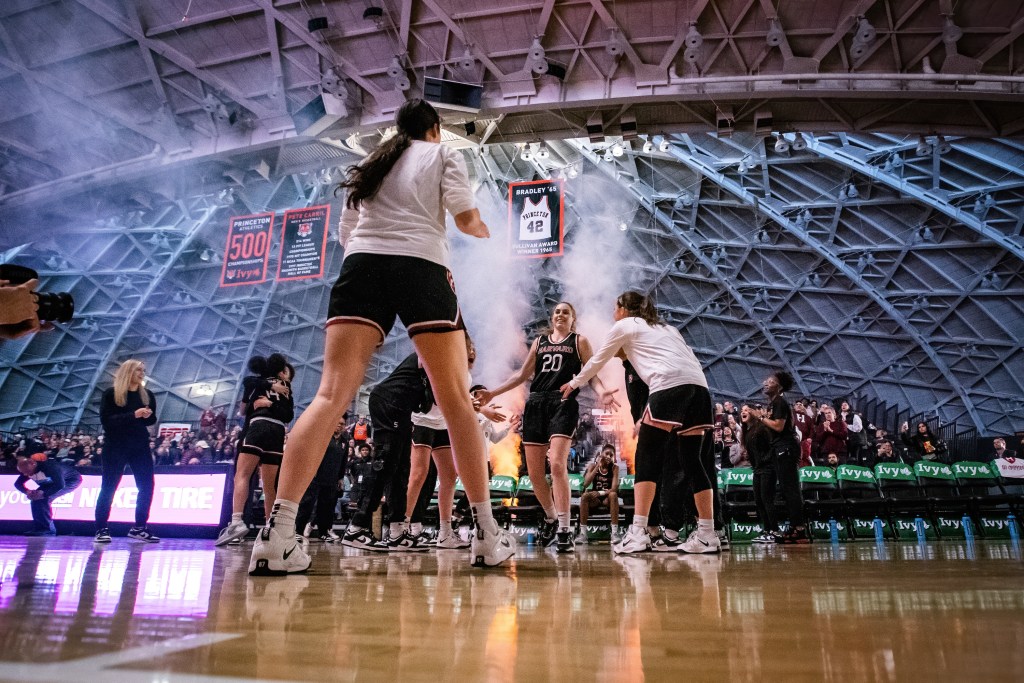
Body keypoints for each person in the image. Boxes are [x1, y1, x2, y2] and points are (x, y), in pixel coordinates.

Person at [249, 99, 512, 575]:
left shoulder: (369, 165)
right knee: (454, 401)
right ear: (435, 129)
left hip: (362, 268)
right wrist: (489, 232)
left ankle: (277, 534)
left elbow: (347, 236)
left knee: (329, 396)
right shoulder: (444, 154)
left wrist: (377, 262)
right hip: (422, 267)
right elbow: (465, 218)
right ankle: (487, 537)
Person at [559, 290, 719, 555]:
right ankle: (707, 534)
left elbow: (597, 360)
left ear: (623, 308)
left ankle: (638, 533)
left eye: (615, 307)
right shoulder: (667, 328)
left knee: (646, 458)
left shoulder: (624, 325)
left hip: (668, 385)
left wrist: (574, 382)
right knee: (693, 461)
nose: (613, 313)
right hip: (699, 388)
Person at [478, 301, 610, 554]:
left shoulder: (579, 341)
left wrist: (602, 392)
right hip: (536, 402)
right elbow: (520, 376)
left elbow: (591, 373)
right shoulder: (539, 343)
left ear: (573, 319)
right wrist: (492, 392)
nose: (560, 314)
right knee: (535, 474)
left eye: (566, 312)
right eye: (557, 311)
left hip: (563, 403)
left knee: (558, 464)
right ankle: (551, 517)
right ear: (552, 318)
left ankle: (563, 528)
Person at [216, 354, 294, 546]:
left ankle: (236, 522)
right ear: (282, 371)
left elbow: (244, 400)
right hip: (277, 431)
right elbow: (289, 415)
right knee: (269, 486)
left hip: (258, 426)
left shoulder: (257, 382)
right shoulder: (286, 387)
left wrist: (261, 402)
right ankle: (271, 529)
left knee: (242, 475)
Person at [96, 359, 159, 543]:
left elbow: (150, 421)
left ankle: (140, 527)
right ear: (128, 371)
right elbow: (107, 421)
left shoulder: (147, 394)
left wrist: (147, 416)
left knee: (147, 486)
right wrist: (134, 415)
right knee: (109, 486)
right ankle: (101, 528)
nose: (142, 373)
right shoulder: (111, 394)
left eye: (143, 370)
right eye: (139, 370)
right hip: (115, 445)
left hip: (140, 445)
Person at [760, 370, 809, 544]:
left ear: (779, 387)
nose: (766, 383)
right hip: (779, 448)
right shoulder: (773, 404)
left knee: (791, 489)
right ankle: (795, 526)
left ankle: (799, 529)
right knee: (787, 490)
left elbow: (779, 427)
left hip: (786, 448)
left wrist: (761, 418)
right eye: (766, 380)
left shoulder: (780, 402)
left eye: (771, 381)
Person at [295, 420, 348, 542]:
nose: (339, 425)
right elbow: (312, 454)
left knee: (326, 507)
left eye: (342, 424)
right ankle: (298, 531)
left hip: (332, 479)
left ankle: (323, 532)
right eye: (337, 423)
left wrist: (340, 477)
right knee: (306, 504)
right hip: (316, 477)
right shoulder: (322, 437)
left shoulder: (344, 442)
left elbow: (343, 461)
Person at [14, 454, 82, 536]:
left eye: (28, 472)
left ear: (33, 464)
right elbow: (17, 484)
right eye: (23, 473)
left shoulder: (50, 468)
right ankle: (39, 528)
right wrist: (27, 491)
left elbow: (60, 485)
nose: (26, 475)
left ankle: (48, 529)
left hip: (69, 481)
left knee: (44, 499)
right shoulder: (27, 470)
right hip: (49, 483)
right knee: (35, 499)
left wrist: (44, 494)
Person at [578, 444, 620, 543]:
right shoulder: (592, 466)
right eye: (607, 454)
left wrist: (600, 493)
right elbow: (586, 483)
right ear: (601, 454)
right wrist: (597, 466)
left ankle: (614, 533)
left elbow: (614, 488)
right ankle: (583, 534)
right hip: (595, 500)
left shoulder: (615, 468)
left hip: (607, 499)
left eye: (611, 455)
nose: (609, 457)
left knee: (613, 495)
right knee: (584, 496)